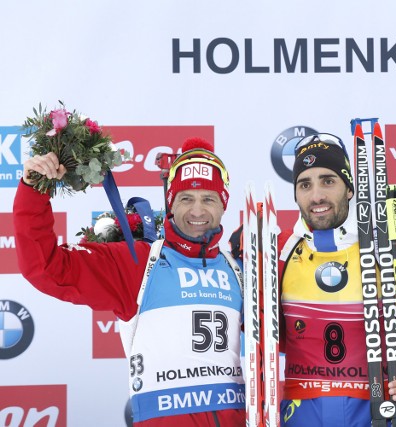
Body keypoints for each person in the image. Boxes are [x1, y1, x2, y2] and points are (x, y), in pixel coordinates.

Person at [13, 137, 245, 426]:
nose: (197, 211)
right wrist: (35, 189)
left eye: (208, 199)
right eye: (186, 198)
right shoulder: (137, 264)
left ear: (223, 205)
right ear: (171, 204)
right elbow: (46, 267)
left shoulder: (238, 270)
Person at [277, 133, 396, 426]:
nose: (317, 195)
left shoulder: (394, 248)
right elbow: (267, 340)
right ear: (295, 193)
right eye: (305, 184)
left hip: (378, 413)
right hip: (301, 416)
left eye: (328, 181)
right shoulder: (278, 253)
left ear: (348, 188)